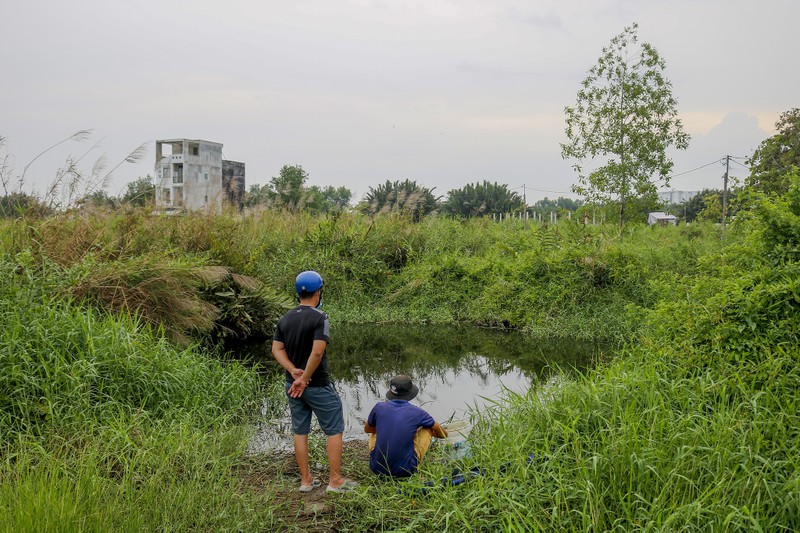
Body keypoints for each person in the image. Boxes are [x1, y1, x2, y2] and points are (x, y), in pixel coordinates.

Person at [272, 270, 357, 493]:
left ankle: (306, 481)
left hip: (292, 385)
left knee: (300, 431)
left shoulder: (285, 318)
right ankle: (335, 481)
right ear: (318, 292)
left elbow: (277, 349)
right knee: (333, 430)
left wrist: (293, 372)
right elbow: (317, 353)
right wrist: (306, 378)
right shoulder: (320, 317)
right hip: (316, 384)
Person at [364, 374, 448, 478]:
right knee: (428, 429)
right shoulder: (417, 412)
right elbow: (443, 434)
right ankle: (412, 461)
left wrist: (388, 428)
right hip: (406, 471)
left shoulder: (379, 407)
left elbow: (367, 429)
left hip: (377, 468)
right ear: (410, 393)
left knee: (375, 427)